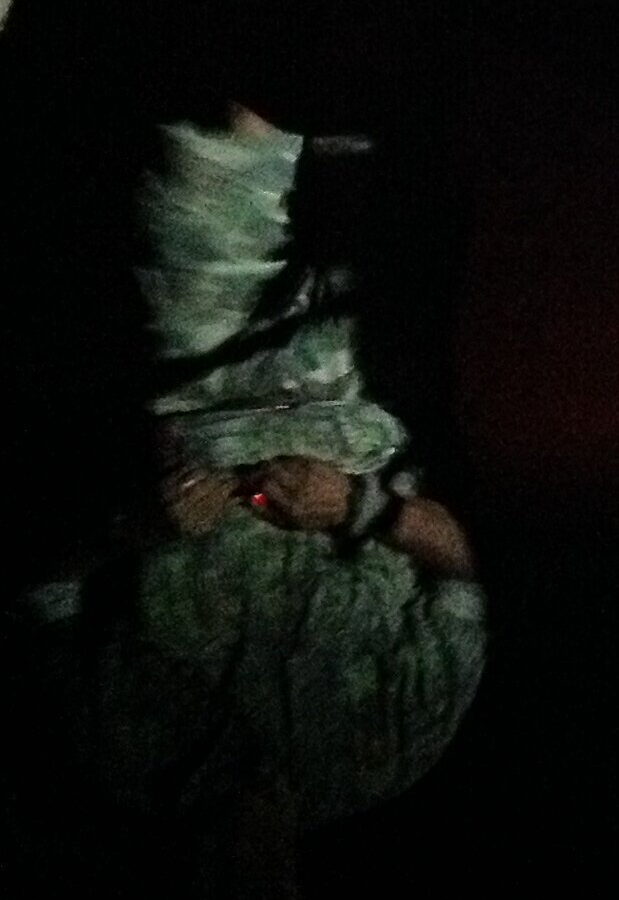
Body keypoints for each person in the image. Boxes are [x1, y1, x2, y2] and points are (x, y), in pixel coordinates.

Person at [27, 101, 485, 836]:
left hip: (203, 392)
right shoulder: (387, 752)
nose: (236, 874)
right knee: (389, 150)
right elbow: (468, 566)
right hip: (363, 393)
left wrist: (135, 528)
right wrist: (357, 508)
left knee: (225, 142)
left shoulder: (123, 755)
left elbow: (43, 585)